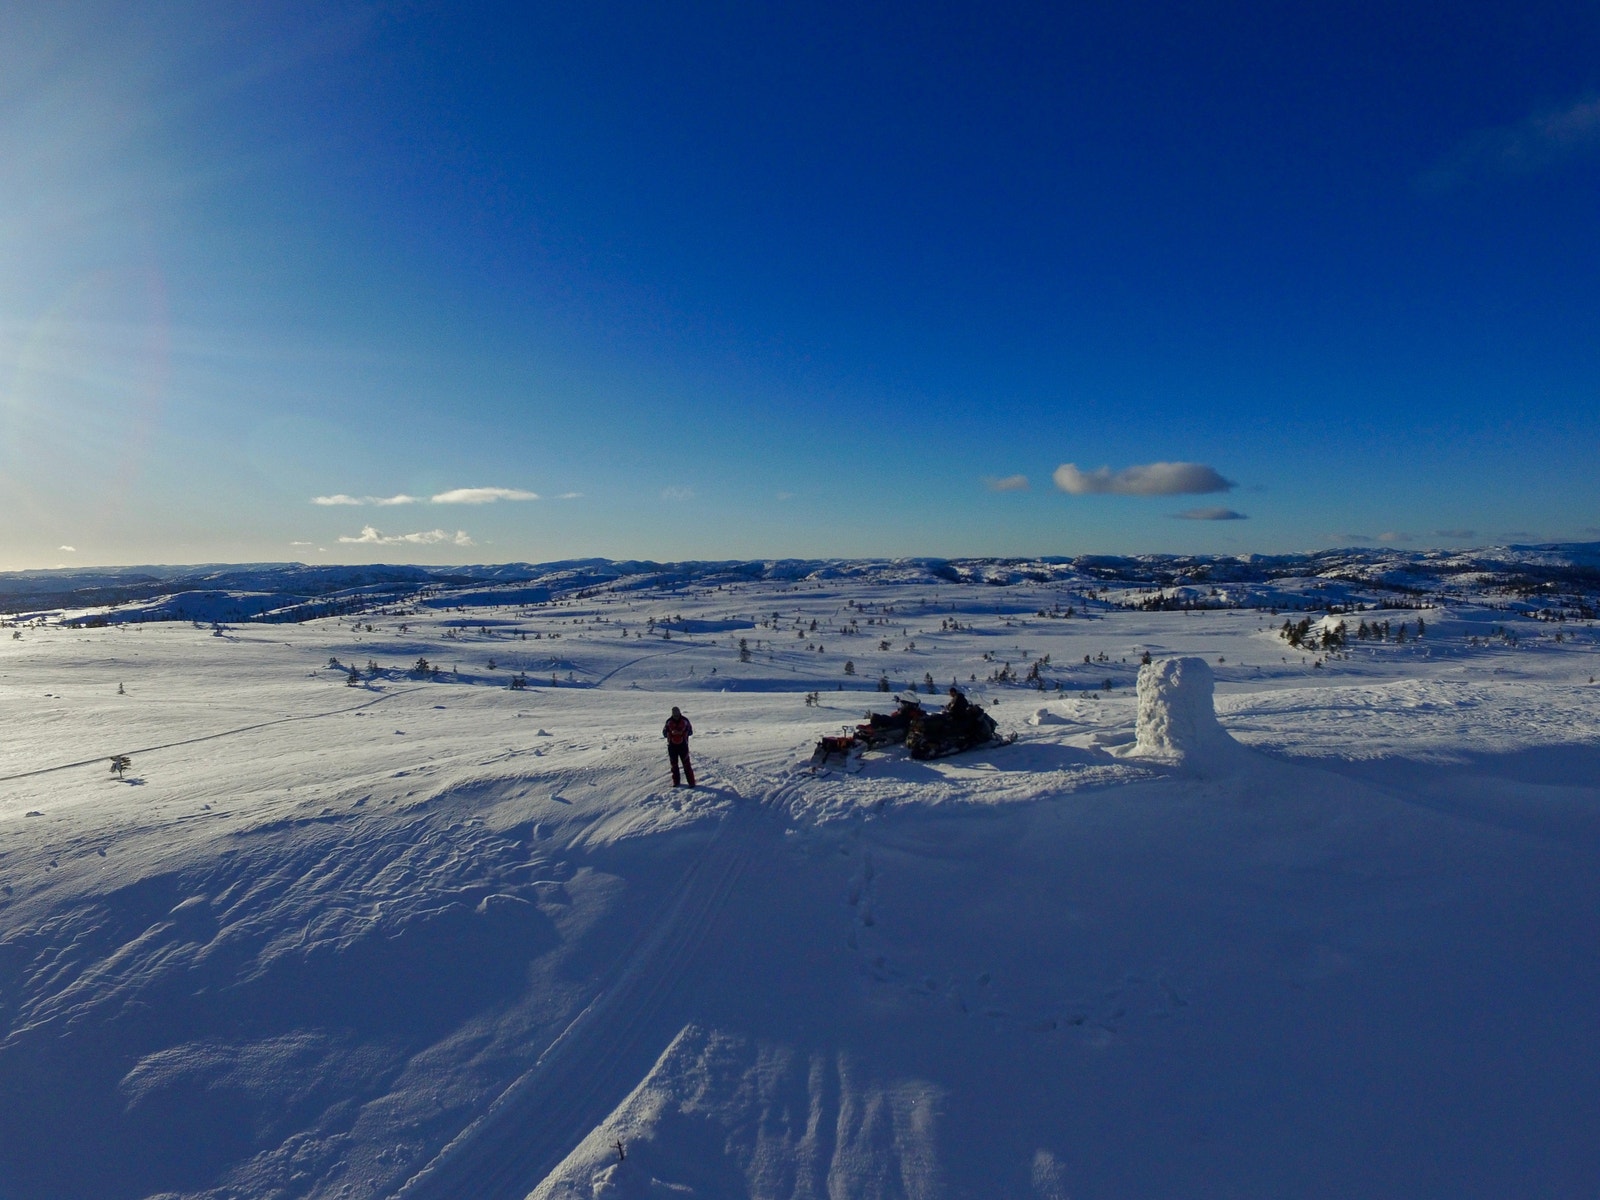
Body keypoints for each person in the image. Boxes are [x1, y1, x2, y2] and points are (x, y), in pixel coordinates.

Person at [662, 705, 696, 787]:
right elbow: (664, 733)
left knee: (686, 764)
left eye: (677, 713)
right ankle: (676, 782)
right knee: (674, 765)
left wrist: (682, 732)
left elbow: (690, 731)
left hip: (683, 745)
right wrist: (671, 733)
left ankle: (691, 783)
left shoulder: (685, 720)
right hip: (672, 746)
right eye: (674, 714)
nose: (676, 715)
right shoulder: (669, 721)